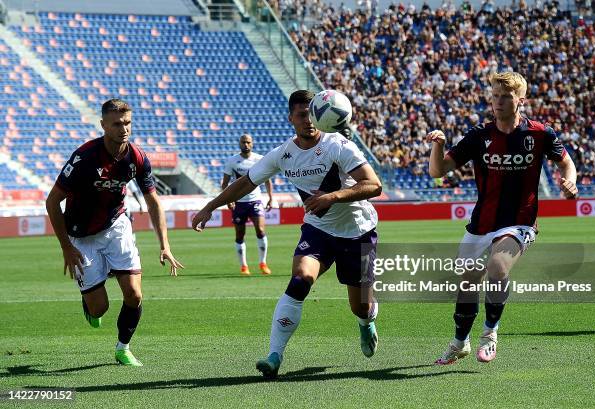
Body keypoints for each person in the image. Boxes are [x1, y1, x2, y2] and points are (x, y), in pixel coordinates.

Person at [192, 90, 382, 378]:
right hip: (318, 229)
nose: (309, 120)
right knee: (300, 278)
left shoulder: (339, 146)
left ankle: (366, 323)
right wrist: (210, 206)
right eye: (303, 115)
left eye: (313, 114)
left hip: (358, 231)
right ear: (291, 118)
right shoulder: (284, 154)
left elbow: (373, 185)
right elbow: (246, 182)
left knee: (362, 307)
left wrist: (332, 196)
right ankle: (274, 355)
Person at [427, 72, 578, 364]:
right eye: (495, 96)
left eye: (505, 97)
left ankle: (490, 333)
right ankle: (460, 342)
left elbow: (566, 163)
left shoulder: (539, 133)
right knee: (468, 282)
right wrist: (438, 145)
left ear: (520, 100)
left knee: (497, 266)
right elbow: (438, 171)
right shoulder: (478, 135)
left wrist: (570, 181)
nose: (498, 102)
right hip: (481, 222)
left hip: (520, 220)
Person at [46, 99, 184, 366]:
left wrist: (164, 244)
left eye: (128, 123)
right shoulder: (84, 157)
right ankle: (90, 303)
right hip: (81, 236)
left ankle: (123, 347)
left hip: (117, 225)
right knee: (100, 308)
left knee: (134, 293)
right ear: (103, 125)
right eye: (117, 124)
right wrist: (66, 247)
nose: (124, 129)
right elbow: (52, 201)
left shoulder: (137, 157)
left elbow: (153, 200)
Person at [222, 133, 274, 276]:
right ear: (239, 143)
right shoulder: (232, 161)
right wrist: (228, 199)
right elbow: (225, 183)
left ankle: (263, 263)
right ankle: (244, 266)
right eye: (243, 142)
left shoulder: (259, 159)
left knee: (261, 230)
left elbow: (267, 180)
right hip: (239, 202)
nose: (246, 144)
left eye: (248, 142)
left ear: (252, 144)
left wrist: (270, 198)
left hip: (255, 200)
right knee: (240, 234)